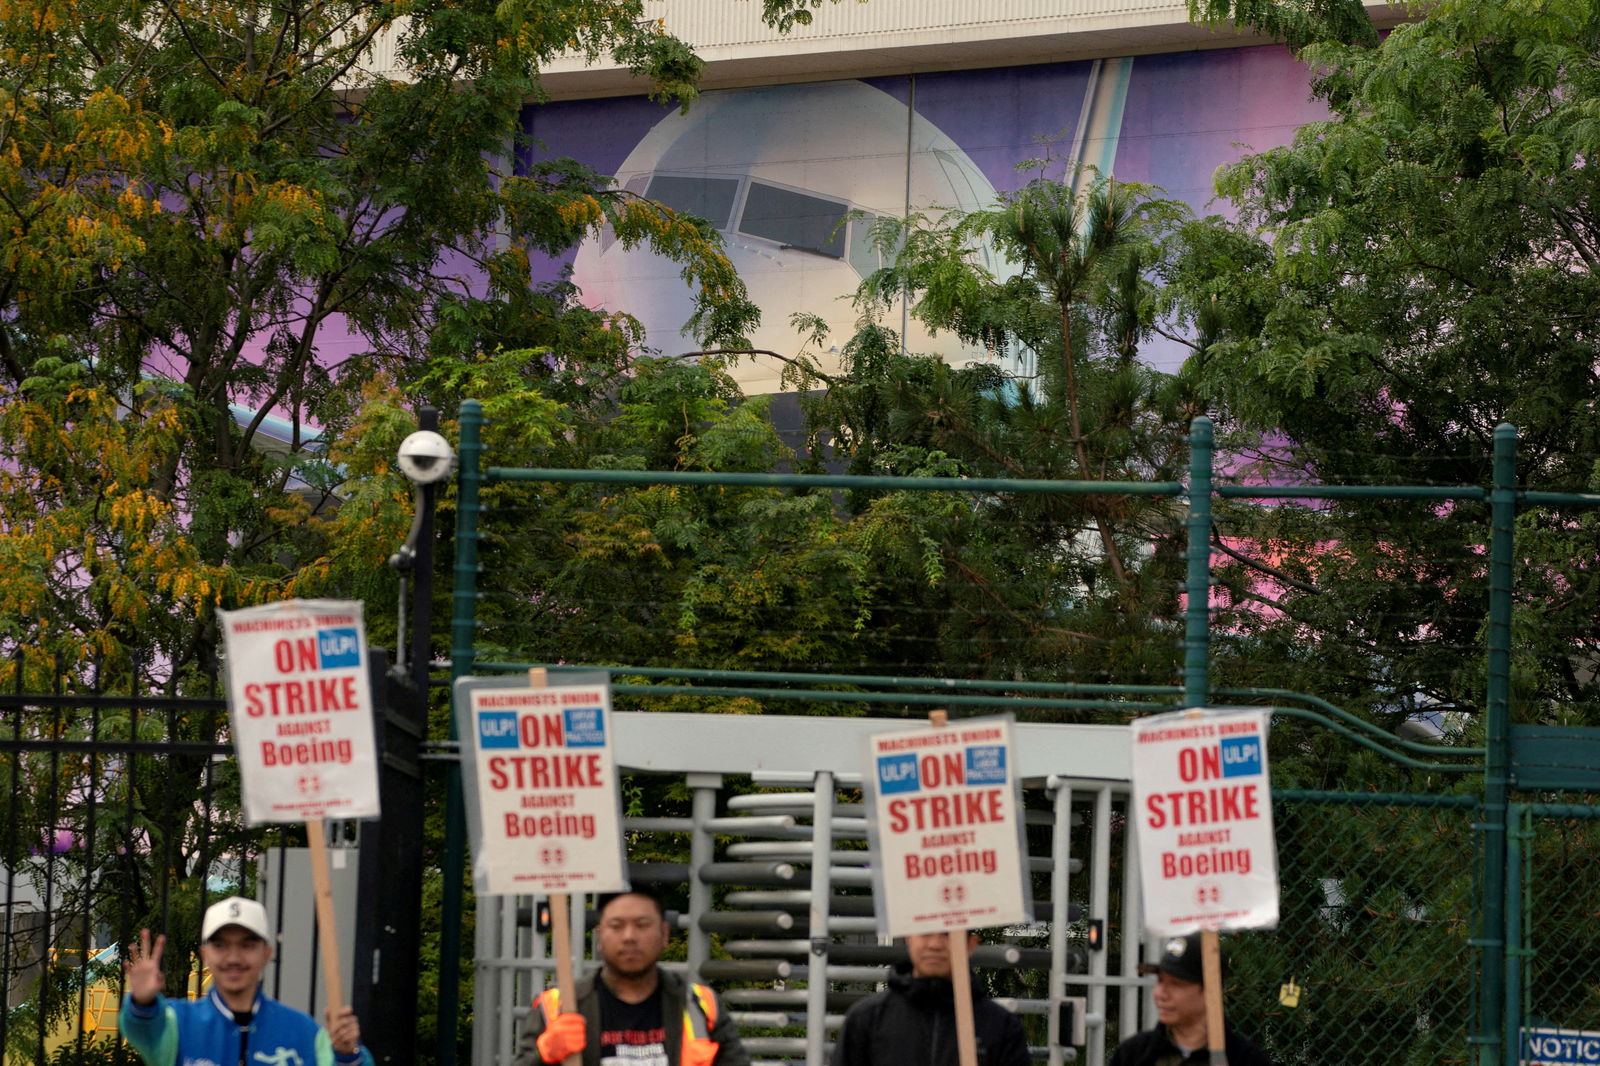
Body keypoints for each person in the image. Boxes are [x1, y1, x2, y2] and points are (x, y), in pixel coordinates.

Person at [120, 895, 373, 1066]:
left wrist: (346, 1053)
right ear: (205, 954)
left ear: (266, 954)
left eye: (247, 945)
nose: (233, 957)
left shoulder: (304, 1032)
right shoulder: (177, 1023)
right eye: (220, 945)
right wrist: (142, 1002)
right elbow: (144, 1030)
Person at [512, 888, 749, 1066]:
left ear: (664, 933)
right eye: (616, 926)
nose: (629, 936)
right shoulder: (558, 1007)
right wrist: (543, 1055)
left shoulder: (700, 1006)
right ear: (600, 936)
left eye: (642, 925)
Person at [830, 931, 1029, 1066]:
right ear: (909, 937)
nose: (935, 945)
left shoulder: (1000, 1026)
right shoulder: (867, 1019)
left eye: (948, 934)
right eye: (925, 932)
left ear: (970, 944)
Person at [1109, 932, 1273, 1066]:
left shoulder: (1246, 1059)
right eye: (1160, 981)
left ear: (1210, 991)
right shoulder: (1133, 1054)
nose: (1160, 993)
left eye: (1176, 984)